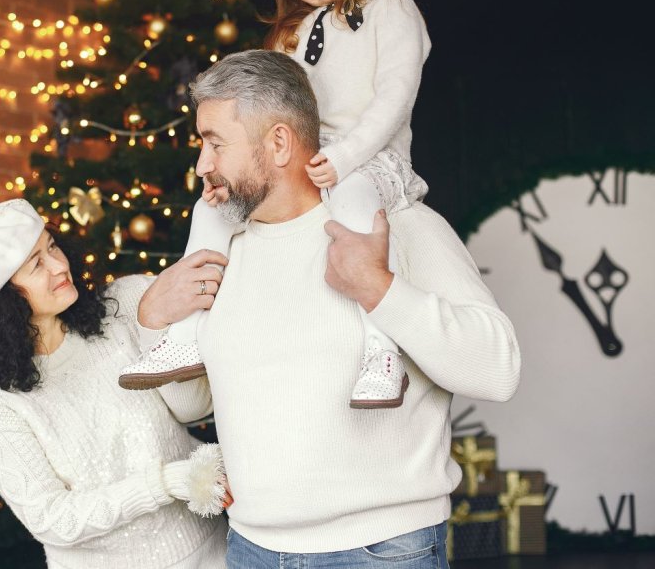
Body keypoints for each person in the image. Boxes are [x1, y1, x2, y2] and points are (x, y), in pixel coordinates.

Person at [136, 49, 521, 567]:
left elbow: (498, 371)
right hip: (252, 549)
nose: (202, 165)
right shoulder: (223, 253)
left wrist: (379, 288)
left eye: (215, 144)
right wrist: (154, 318)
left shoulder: (399, 229)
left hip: (381, 551)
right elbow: (192, 404)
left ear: (278, 143)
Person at [120, 0, 430, 409]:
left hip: (372, 158)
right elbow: (274, 111)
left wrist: (345, 156)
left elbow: (396, 96)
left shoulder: (391, 8)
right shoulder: (300, 29)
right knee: (212, 209)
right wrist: (234, 172)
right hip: (308, 155)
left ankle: (381, 351)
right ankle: (186, 335)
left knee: (352, 201)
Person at [0, 198, 229, 569]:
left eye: (52, 246)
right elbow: (53, 520)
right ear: (3, 300)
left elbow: (194, 408)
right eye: (36, 265)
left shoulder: (126, 303)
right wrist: (164, 483)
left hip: (214, 556)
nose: (60, 265)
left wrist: (151, 324)